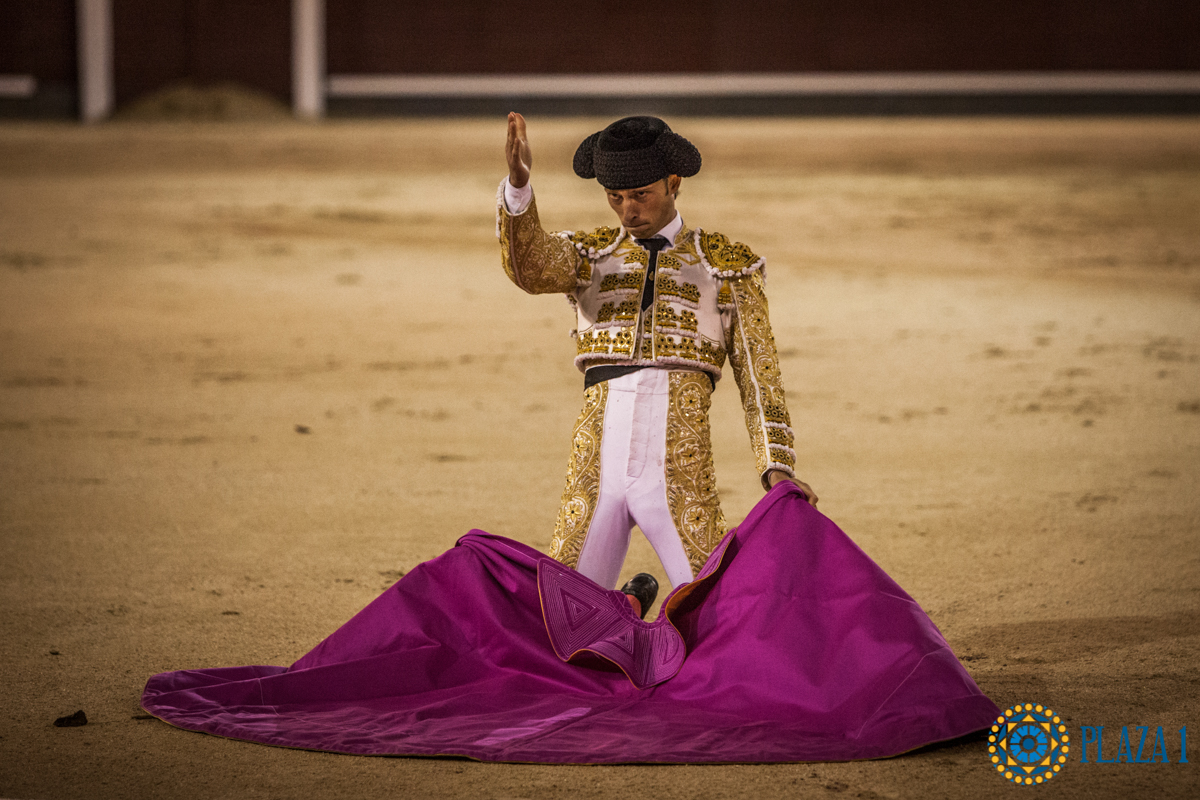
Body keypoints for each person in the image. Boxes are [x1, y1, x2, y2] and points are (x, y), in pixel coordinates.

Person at [498, 112, 816, 614]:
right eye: (615, 197)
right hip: (596, 460)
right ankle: (626, 607)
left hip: (679, 463)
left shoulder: (727, 267)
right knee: (560, 620)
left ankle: (626, 607)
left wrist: (776, 465)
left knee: (720, 619)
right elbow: (529, 266)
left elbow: (760, 377)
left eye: (640, 195)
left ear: (673, 183)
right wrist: (518, 188)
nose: (627, 211)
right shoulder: (589, 257)